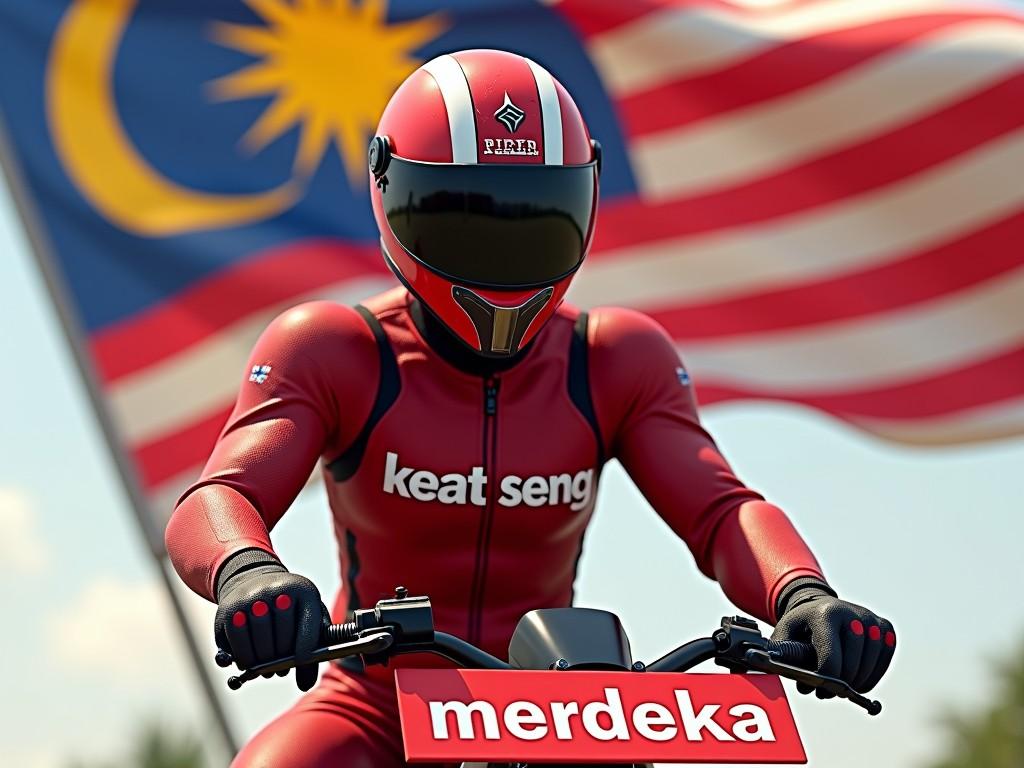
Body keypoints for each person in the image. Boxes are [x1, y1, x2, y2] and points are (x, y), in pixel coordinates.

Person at [165, 48, 895, 767]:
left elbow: (719, 510)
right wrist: (248, 574)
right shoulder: (334, 349)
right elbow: (219, 496)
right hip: (373, 709)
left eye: (535, 220)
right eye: (463, 220)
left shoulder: (616, 358)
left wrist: (803, 593)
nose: (498, 257)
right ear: (388, 190)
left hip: (561, 716)